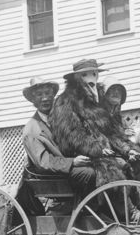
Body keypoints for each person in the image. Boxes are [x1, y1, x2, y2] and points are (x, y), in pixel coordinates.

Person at [50, 58, 133, 186]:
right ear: (76, 78)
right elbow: (73, 134)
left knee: (134, 162)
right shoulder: (66, 101)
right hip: (81, 155)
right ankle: (121, 204)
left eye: (94, 74)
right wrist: (98, 149)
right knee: (113, 173)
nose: (91, 79)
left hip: (103, 152)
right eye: (84, 75)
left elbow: (110, 132)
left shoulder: (98, 99)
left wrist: (127, 149)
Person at [20, 76, 97, 201]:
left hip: (66, 169)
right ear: (33, 100)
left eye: (47, 93)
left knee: (103, 165)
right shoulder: (31, 130)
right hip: (53, 177)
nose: (45, 98)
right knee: (88, 173)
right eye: (39, 95)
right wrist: (72, 162)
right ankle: (90, 210)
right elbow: (44, 162)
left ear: (53, 96)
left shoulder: (61, 118)